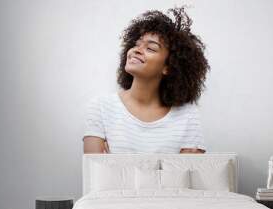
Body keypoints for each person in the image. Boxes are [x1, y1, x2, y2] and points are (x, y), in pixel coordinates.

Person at [83, 6, 210, 154]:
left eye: (151, 48)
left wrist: (115, 164)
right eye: (137, 44)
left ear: (169, 67)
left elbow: (187, 175)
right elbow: (97, 174)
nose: (136, 50)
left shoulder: (187, 115)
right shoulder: (100, 108)